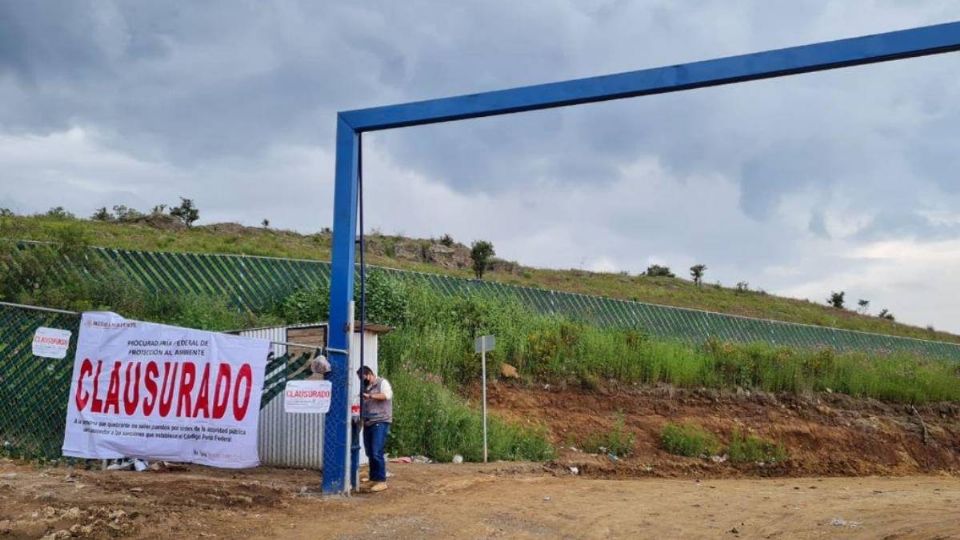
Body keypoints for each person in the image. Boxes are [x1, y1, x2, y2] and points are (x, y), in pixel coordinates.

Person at [357, 365, 392, 493]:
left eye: (363, 378)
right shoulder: (367, 387)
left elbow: (386, 396)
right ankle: (374, 478)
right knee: (370, 452)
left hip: (380, 421)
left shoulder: (382, 383)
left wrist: (370, 396)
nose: (362, 381)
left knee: (376, 451)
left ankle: (382, 481)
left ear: (369, 374)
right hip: (369, 421)